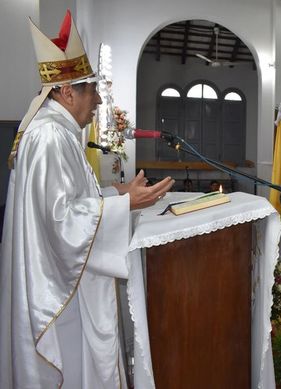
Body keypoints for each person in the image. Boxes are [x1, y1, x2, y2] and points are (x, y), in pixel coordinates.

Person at [0, 11, 174, 388]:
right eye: (91, 89)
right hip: (59, 293)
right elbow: (62, 222)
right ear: (66, 92)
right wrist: (123, 205)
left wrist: (118, 193)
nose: (97, 100)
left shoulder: (58, 133)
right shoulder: (49, 138)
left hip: (67, 280)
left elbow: (73, 203)